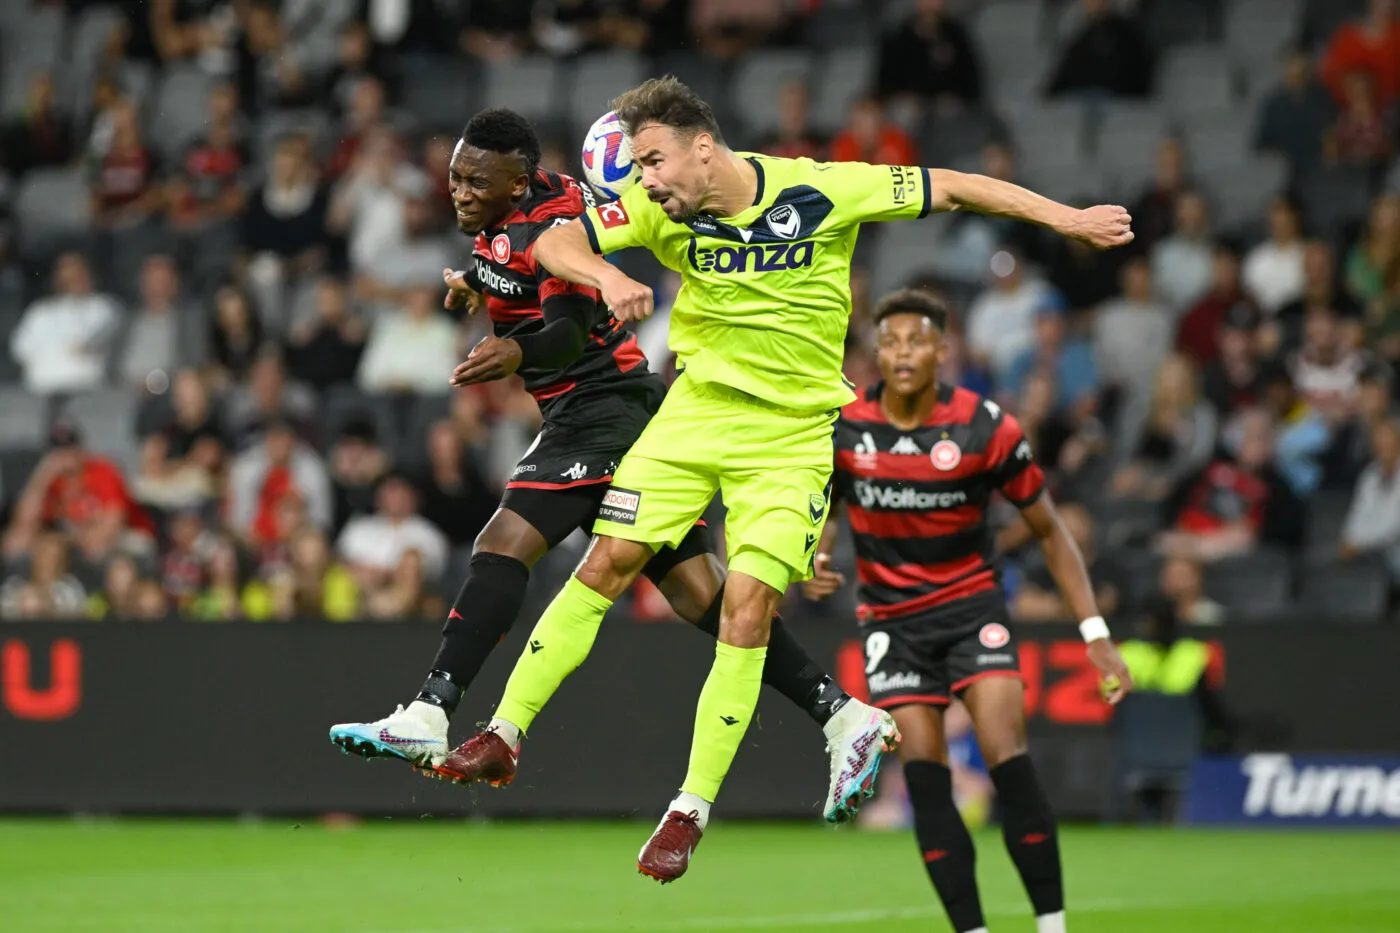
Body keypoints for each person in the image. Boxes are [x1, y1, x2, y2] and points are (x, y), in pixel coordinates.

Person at [436, 77, 1132, 882]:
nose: (645, 180)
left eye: (654, 161)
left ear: (704, 147)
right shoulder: (659, 207)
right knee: (605, 563)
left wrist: (1067, 218)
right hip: (694, 412)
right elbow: (555, 237)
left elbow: (958, 186)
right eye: (637, 166)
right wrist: (586, 276)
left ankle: (689, 808)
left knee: (744, 605)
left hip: (791, 436)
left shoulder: (824, 188)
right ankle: (504, 731)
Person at [328, 109, 895, 831]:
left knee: (505, 544)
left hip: (604, 409)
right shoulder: (511, 211)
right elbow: (511, 262)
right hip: (606, 415)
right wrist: (480, 286)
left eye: (475, 179)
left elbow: (565, 330)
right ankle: (841, 713)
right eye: (454, 177)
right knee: (702, 597)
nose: (460, 191)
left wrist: (515, 352)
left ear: (520, 178)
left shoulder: (556, 218)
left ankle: (431, 709)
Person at [804, 289, 1132, 933]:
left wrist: (1094, 632)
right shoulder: (845, 428)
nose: (903, 352)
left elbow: (1050, 529)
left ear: (942, 350)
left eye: (917, 340)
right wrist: (816, 552)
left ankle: (1052, 923)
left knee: (1006, 753)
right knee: (925, 774)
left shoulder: (986, 428)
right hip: (891, 623)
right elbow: (826, 512)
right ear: (876, 352)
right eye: (891, 341)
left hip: (970, 606)